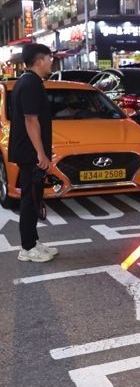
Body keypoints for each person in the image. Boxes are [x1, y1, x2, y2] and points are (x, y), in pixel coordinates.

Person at [8, 43, 58, 263]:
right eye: (49, 58)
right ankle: (27, 248)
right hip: (29, 153)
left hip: (29, 151)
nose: (51, 62)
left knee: (34, 197)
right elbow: (30, 120)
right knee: (29, 199)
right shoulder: (30, 84)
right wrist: (40, 153)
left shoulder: (30, 81)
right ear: (39, 61)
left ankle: (33, 242)